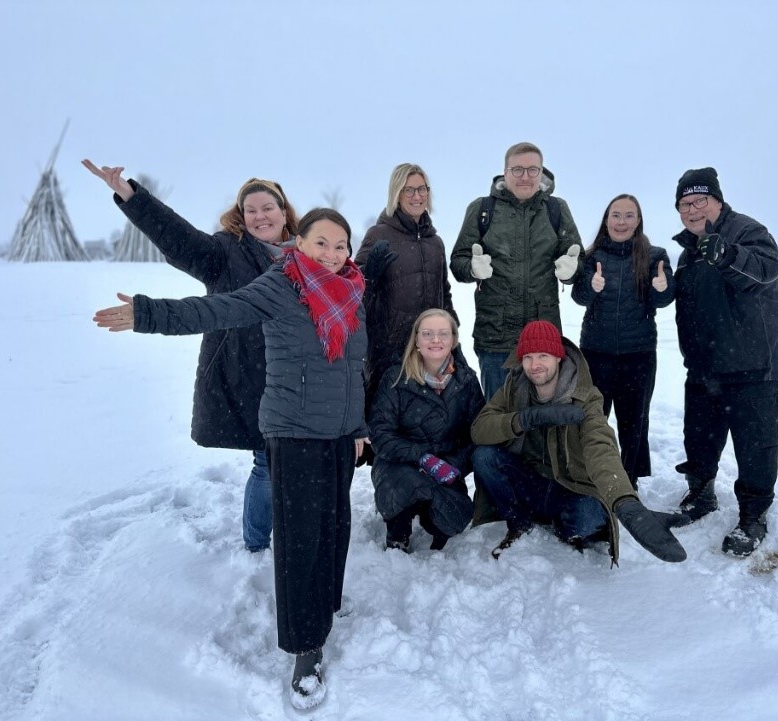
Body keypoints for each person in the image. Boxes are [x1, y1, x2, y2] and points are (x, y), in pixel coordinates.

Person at [93, 208, 366, 710]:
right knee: (301, 540)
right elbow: (216, 311)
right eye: (322, 243)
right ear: (298, 244)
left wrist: (359, 428)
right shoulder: (282, 286)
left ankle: (326, 602)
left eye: (341, 245)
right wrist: (149, 313)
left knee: (334, 524)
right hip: (295, 430)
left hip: (339, 433)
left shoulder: (353, 290)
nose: (332, 254)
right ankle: (305, 648)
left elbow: (355, 366)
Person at [82, 159, 299, 553]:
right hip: (250, 375)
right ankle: (256, 545)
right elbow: (178, 238)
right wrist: (132, 197)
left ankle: (293, 533)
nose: (259, 216)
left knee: (296, 463)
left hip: (300, 376)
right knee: (268, 462)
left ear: (284, 212)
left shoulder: (305, 253)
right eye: (250, 210)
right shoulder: (224, 253)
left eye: (267, 208)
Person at [470, 320, 687, 564]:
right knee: (484, 456)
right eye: (528, 357)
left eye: (543, 355)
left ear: (558, 357)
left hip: (571, 487)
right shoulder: (514, 386)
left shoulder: (584, 396)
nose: (535, 365)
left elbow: (601, 448)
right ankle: (519, 520)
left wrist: (625, 501)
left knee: (585, 520)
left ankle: (565, 527)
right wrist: (526, 418)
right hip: (531, 481)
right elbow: (479, 430)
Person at [671, 167, 778, 557]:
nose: (691, 210)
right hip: (706, 367)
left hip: (754, 367)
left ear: (717, 201)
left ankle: (753, 515)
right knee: (700, 439)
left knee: (756, 446)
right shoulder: (688, 252)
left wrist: (725, 254)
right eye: (684, 204)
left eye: (699, 201)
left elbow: (763, 271)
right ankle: (701, 493)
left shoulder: (747, 232)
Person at [450, 142, 584, 401]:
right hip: (495, 337)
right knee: (498, 420)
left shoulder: (556, 209)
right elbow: (458, 262)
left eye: (532, 170)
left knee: (542, 421)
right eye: (518, 170)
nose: (525, 177)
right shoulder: (482, 210)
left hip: (543, 336)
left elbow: (576, 259)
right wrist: (472, 268)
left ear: (541, 172)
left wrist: (571, 270)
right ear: (505, 171)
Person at [571, 194, 675, 489]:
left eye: (629, 215)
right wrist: (591, 287)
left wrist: (662, 287)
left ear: (638, 221)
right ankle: (589, 477)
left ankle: (628, 481)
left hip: (637, 353)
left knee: (634, 421)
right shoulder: (591, 257)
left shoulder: (654, 255)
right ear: (606, 219)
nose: (621, 221)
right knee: (592, 419)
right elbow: (579, 297)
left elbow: (665, 298)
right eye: (616, 215)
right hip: (595, 352)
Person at [368, 309, 484, 552]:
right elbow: (381, 435)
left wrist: (455, 466)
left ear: (453, 339)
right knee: (405, 486)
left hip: (445, 467)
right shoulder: (396, 377)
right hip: (399, 465)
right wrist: (422, 457)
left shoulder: (467, 381)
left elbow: (477, 435)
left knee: (451, 521)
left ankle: (430, 514)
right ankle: (398, 533)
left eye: (443, 334)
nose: (435, 340)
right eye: (428, 334)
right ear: (417, 341)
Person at [355, 164, 457, 420]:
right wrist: (370, 274)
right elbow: (355, 293)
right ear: (396, 194)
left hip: (429, 349)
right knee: (388, 422)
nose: (416, 196)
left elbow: (444, 292)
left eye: (422, 189)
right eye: (408, 190)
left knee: (426, 421)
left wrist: (453, 334)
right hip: (390, 350)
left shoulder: (436, 242)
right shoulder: (378, 235)